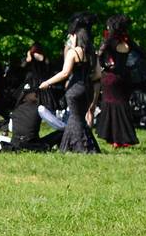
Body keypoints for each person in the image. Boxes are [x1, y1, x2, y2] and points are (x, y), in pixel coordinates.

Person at [38, 13, 100, 153]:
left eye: (72, 36)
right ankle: (69, 146)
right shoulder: (92, 53)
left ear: (76, 37)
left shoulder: (74, 52)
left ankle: (80, 147)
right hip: (87, 89)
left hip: (74, 88)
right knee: (78, 118)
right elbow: (97, 75)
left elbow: (65, 73)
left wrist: (47, 82)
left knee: (75, 118)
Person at [96, 15, 139, 148]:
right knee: (122, 106)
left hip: (110, 77)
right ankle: (123, 138)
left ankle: (114, 138)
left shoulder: (109, 40)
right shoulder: (127, 41)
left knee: (111, 106)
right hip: (124, 77)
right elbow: (142, 55)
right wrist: (131, 67)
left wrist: (105, 66)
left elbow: (99, 54)